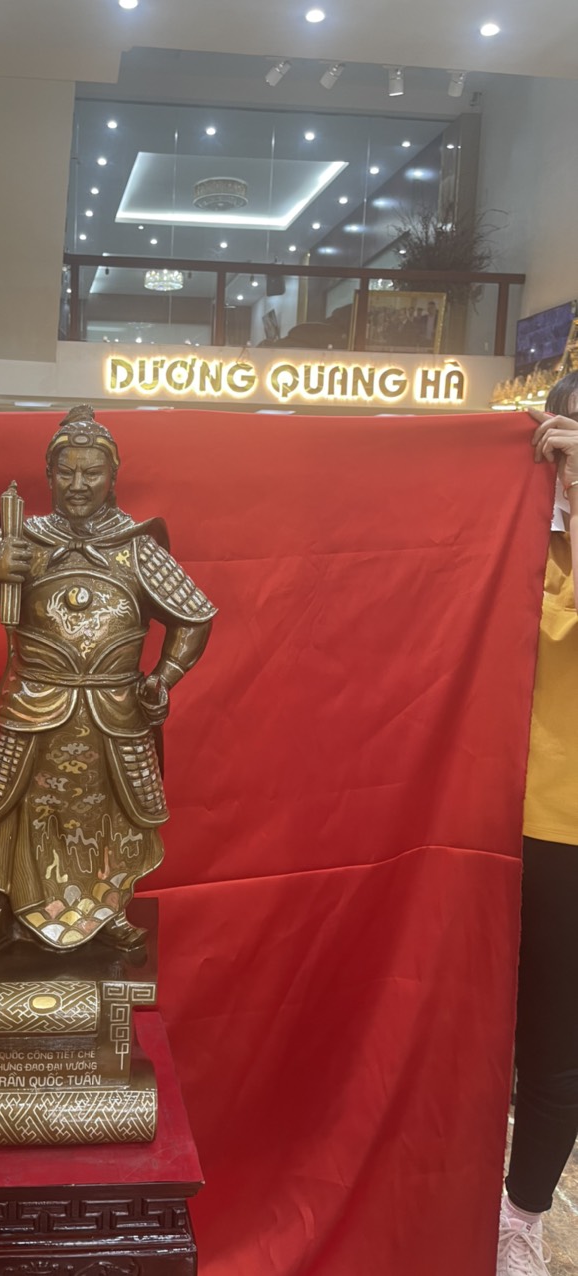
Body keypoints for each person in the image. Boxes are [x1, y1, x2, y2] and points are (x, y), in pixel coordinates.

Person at [0, 406, 215, 965]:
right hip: (33, 702)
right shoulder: (23, 538)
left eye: (92, 473)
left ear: (112, 477)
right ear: (49, 475)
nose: (79, 484)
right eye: (67, 472)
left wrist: (164, 677)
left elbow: (195, 617)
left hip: (115, 708)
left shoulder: (135, 546)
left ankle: (110, 914)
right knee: (3, 813)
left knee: (116, 814)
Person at [497, 371, 578, 1276]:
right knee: (459, 1025)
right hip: (472, 825)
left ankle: (520, 1218)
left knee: (555, 1048)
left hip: (566, 834)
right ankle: (442, 1178)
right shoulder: (503, 534)